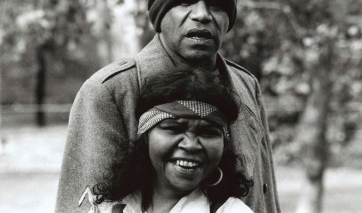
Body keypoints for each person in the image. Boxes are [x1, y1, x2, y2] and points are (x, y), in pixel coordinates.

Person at [56, 0, 280, 213]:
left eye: (217, 4)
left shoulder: (245, 86)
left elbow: (264, 195)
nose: (202, 15)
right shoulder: (110, 91)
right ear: (159, 14)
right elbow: (88, 204)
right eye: (185, 1)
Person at [86, 69, 254, 212]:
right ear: (145, 135)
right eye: (174, 129)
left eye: (209, 132)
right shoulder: (110, 207)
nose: (191, 145)